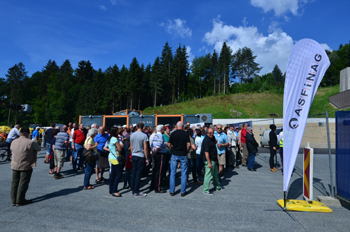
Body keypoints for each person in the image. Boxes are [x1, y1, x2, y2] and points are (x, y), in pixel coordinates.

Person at [10, 127, 41, 206]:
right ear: (28, 133)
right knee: (23, 183)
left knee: (14, 183)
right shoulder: (30, 142)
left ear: (20, 133)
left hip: (14, 164)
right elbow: (38, 148)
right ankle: (20, 200)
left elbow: (11, 149)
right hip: (25, 165)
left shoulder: (14, 141)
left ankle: (13, 200)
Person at [168, 121, 190, 197]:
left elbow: (169, 144)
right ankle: (182, 192)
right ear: (183, 126)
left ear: (177, 126)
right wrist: (187, 151)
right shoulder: (186, 133)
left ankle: (172, 191)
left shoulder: (173, 133)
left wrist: (171, 150)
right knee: (184, 173)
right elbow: (189, 144)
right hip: (183, 154)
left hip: (174, 154)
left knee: (173, 173)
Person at [202, 128, 224, 195]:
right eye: (209, 133)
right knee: (208, 175)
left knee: (215, 174)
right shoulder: (206, 141)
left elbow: (214, 141)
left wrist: (215, 142)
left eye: (212, 133)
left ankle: (218, 186)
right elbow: (206, 153)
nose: (211, 134)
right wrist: (209, 163)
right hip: (209, 160)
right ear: (207, 133)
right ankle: (205, 190)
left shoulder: (212, 138)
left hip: (214, 159)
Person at [130, 122, 149, 197]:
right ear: (143, 127)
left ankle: (132, 189)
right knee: (138, 174)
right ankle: (136, 191)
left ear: (137, 126)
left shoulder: (132, 135)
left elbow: (131, 147)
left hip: (134, 154)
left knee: (133, 173)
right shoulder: (144, 135)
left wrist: (132, 155)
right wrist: (147, 158)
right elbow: (145, 148)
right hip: (140, 155)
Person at [150, 125, 168, 193]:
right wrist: (155, 153)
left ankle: (153, 185)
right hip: (160, 154)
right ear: (161, 129)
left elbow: (152, 145)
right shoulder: (160, 135)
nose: (164, 129)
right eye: (163, 128)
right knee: (159, 171)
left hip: (156, 153)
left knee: (155, 170)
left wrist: (153, 153)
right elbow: (158, 145)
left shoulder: (155, 135)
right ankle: (158, 188)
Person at [107, 127, 124, 196]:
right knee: (119, 174)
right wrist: (119, 145)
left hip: (111, 156)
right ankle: (114, 190)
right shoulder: (114, 139)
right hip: (115, 158)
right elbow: (120, 149)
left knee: (113, 173)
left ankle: (111, 189)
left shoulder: (110, 138)